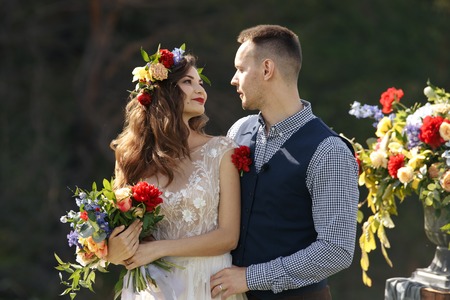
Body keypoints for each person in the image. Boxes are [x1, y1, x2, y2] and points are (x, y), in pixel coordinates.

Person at [210, 25, 359, 300]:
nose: (233, 79)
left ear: (267, 69)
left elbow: (336, 249)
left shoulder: (329, 151)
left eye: (241, 69)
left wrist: (250, 278)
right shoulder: (238, 131)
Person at [106, 44, 247, 300]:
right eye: (187, 81)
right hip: (150, 288)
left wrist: (158, 249)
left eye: (200, 82)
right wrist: (112, 251)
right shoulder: (129, 157)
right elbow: (119, 233)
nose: (200, 89)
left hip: (207, 284)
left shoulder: (222, 151)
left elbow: (228, 237)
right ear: (163, 90)